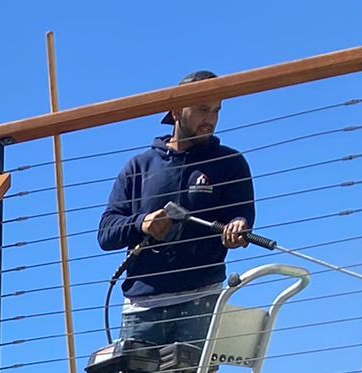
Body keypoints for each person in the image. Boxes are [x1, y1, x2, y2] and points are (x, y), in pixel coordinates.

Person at [97, 69, 257, 351]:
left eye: (216, 111)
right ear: (175, 111)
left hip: (201, 300)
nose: (210, 119)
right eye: (202, 109)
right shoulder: (139, 167)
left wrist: (238, 228)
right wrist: (142, 223)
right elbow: (106, 232)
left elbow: (242, 217)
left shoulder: (231, 163)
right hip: (142, 307)